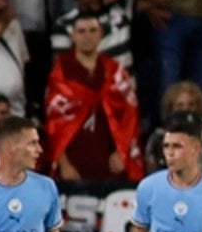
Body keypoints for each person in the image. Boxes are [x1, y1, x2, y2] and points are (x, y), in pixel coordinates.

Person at [44, 13, 143, 181]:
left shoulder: (116, 72)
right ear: (73, 36)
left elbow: (130, 116)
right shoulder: (60, 74)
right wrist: (64, 164)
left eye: (92, 30)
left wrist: (122, 152)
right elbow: (54, 125)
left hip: (110, 160)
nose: (87, 36)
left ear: (100, 35)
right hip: (74, 163)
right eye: (81, 31)